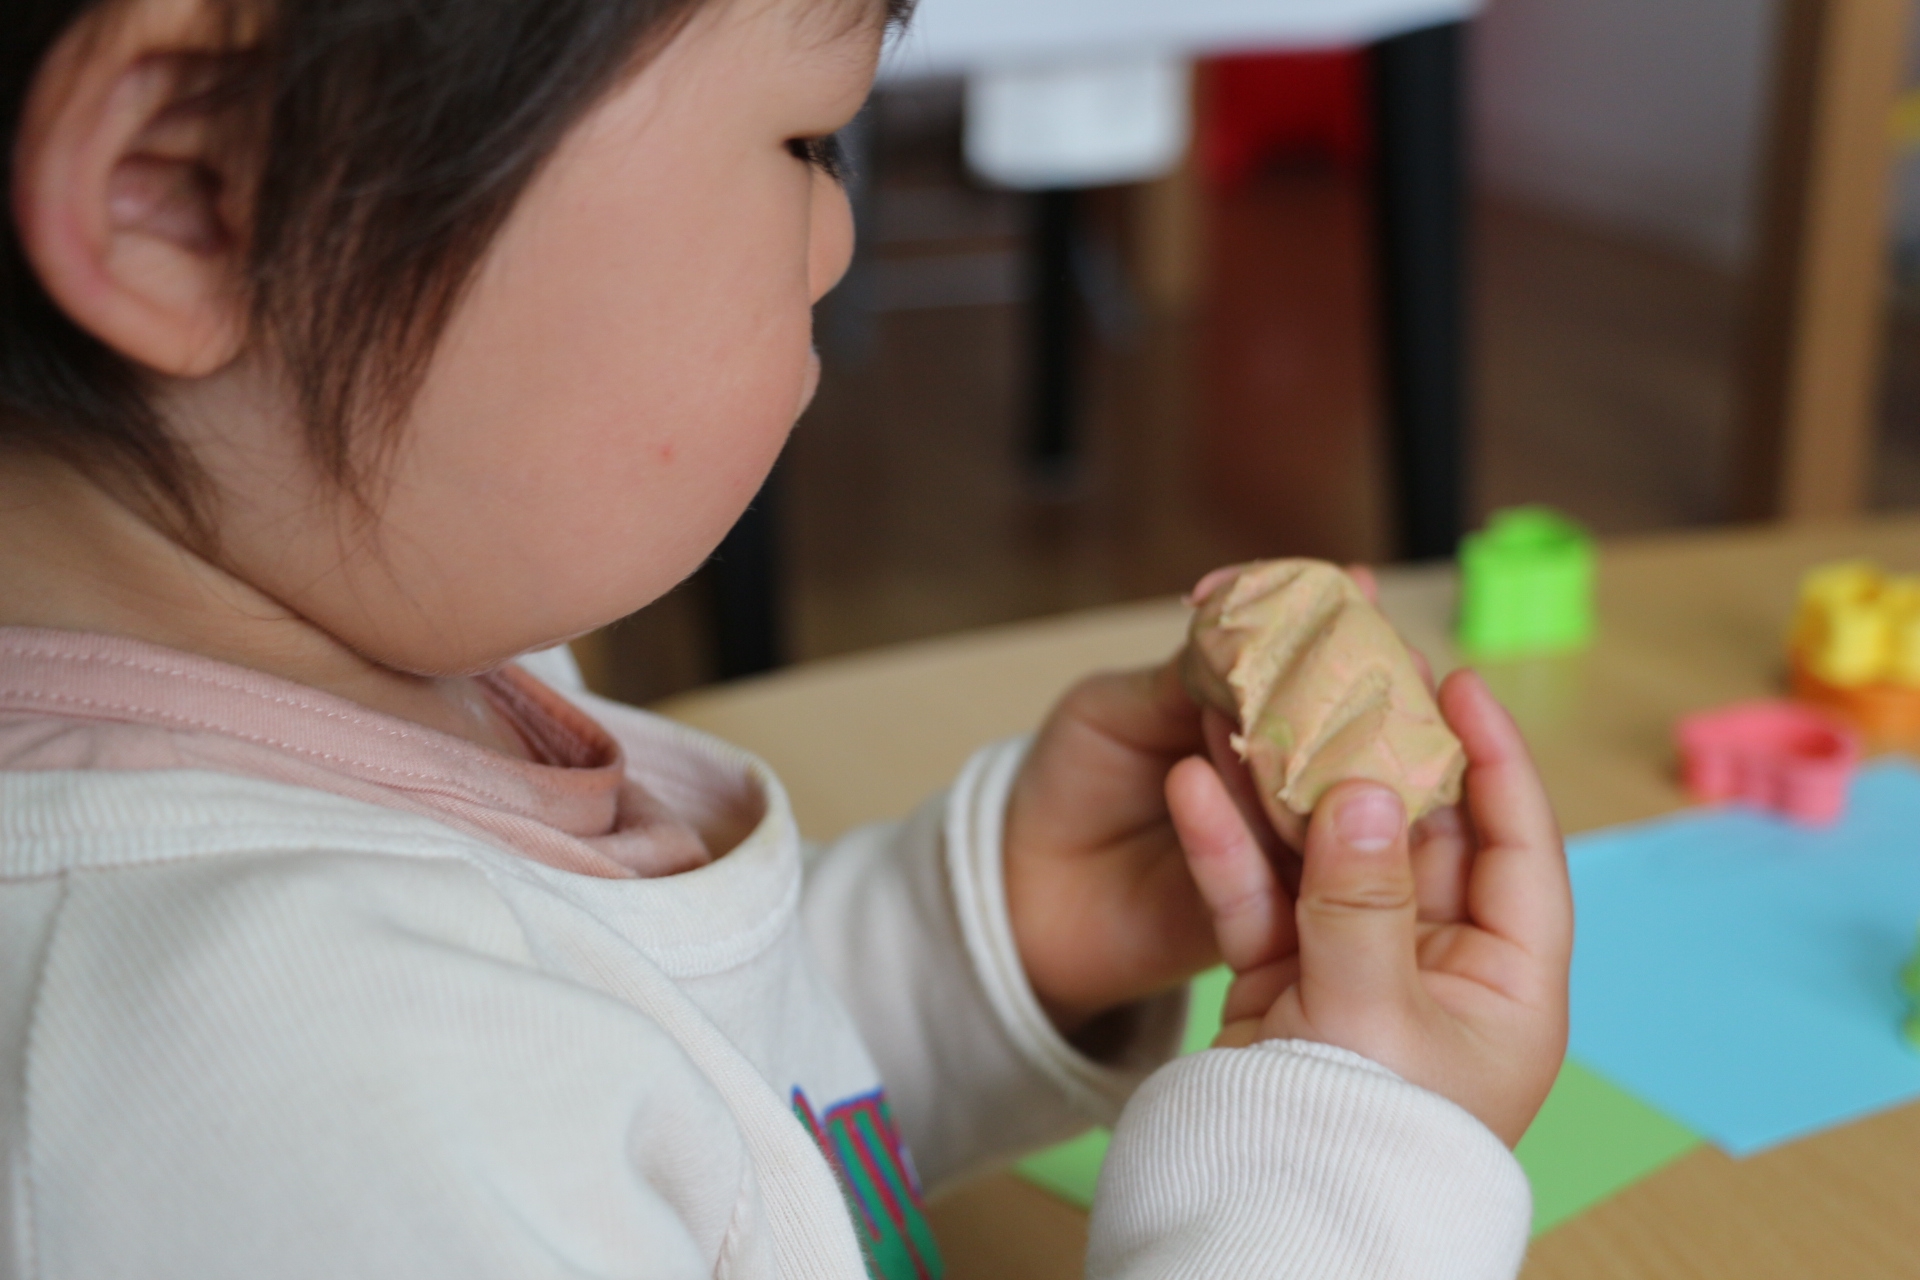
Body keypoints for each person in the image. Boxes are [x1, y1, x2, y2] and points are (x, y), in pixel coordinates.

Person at [0, 0, 1572, 1274]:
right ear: (195, 184)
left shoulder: (386, 667)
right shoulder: (287, 1104)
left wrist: (985, 945)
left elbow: (645, 1076)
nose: (834, 242)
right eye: (808, 138)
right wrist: (1339, 1188)